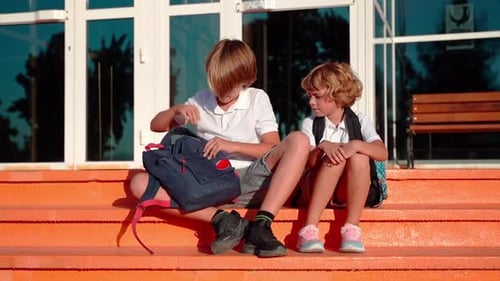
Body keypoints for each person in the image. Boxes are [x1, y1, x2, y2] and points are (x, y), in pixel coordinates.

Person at [128, 39, 310, 258]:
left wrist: (229, 146)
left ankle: (261, 225)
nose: (222, 93)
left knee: (299, 140)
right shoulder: (200, 100)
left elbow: (272, 147)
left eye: (229, 87)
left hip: (249, 180)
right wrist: (177, 110)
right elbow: (155, 125)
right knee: (138, 183)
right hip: (208, 184)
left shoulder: (257, 98)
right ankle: (225, 220)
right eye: (217, 85)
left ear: (247, 80)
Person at [296, 62, 388, 253]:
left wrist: (355, 145)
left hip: (346, 190)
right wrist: (323, 147)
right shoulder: (311, 123)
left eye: (317, 96)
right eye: (310, 96)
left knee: (360, 156)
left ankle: (352, 230)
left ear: (338, 96)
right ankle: (309, 229)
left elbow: (382, 153)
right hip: (316, 188)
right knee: (335, 157)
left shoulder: (360, 120)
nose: (311, 102)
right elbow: (308, 163)